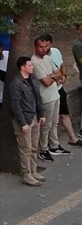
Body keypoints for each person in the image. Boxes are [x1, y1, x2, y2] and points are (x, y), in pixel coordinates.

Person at [8, 55, 46, 186]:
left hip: (34, 116)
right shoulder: (16, 83)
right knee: (26, 148)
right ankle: (26, 173)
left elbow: (38, 97)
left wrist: (41, 114)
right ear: (22, 67)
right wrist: (23, 123)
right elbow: (15, 105)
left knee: (34, 146)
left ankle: (33, 170)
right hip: (24, 119)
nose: (32, 67)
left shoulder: (32, 78)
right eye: (30, 65)